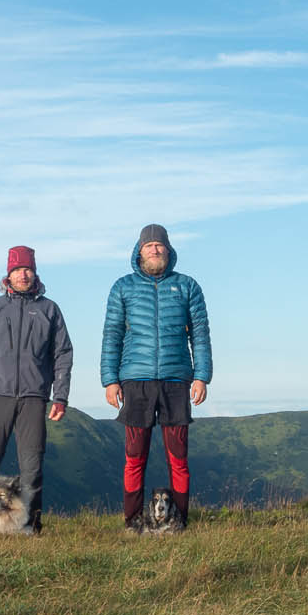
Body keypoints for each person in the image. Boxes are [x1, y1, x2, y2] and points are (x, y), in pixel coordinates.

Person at [101, 223, 212, 532]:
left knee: (178, 458)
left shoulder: (188, 286)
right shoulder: (122, 287)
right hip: (135, 382)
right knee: (134, 457)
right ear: (139, 250)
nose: (154, 249)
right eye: (149, 245)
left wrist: (202, 376)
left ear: (168, 250)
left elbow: (200, 335)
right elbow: (112, 336)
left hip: (177, 381)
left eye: (160, 245)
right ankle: (132, 521)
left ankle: (180, 522)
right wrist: (110, 380)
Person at [0, 245, 72, 534]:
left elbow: (62, 353)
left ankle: (30, 527)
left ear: (35, 273)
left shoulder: (49, 310)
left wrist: (60, 396)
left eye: (28, 269)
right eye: (17, 270)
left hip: (34, 399)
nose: (23, 274)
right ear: (8, 275)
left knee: (32, 468)